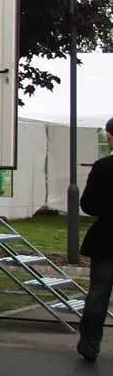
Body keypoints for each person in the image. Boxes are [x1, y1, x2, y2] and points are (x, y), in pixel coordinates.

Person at [76, 117, 113, 361]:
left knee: (98, 293)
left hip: (108, 240)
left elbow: (88, 205)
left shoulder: (103, 166)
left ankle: (90, 344)